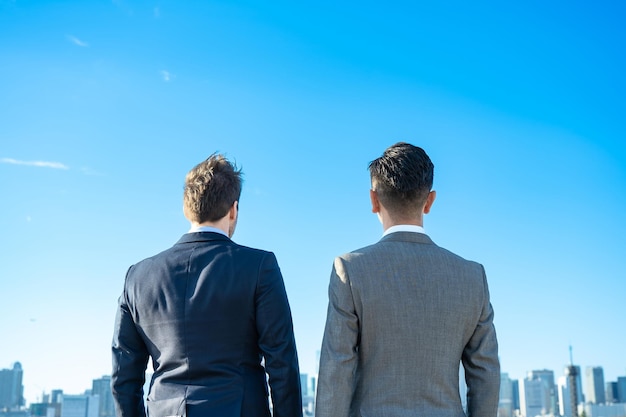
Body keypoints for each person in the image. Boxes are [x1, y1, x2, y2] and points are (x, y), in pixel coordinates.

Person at [315, 142, 500, 417]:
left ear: (373, 199)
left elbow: (336, 371)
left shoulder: (350, 270)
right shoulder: (472, 277)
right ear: (430, 201)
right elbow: (485, 374)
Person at [111, 154, 302, 417]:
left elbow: (124, 377)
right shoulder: (259, 267)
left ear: (186, 208)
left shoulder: (138, 276)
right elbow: (282, 363)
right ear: (233, 209)